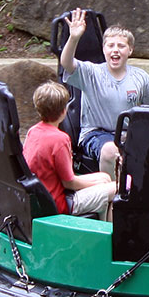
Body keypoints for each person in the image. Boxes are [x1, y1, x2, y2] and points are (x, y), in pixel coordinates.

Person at [59, 8, 149, 179]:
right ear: (104, 49)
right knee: (111, 150)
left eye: (121, 46)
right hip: (96, 133)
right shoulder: (91, 73)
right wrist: (74, 38)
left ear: (130, 50)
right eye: (110, 45)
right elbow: (66, 63)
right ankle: (111, 198)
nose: (115, 50)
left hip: (129, 133)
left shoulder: (140, 77)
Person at [23, 81, 117, 221]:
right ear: (64, 111)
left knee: (105, 177)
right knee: (116, 188)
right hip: (59, 203)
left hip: (42, 195)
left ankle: (102, 224)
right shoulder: (60, 139)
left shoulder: (33, 131)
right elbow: (69, 182)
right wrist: (97, 183)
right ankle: (108, 234)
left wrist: (101, 179)